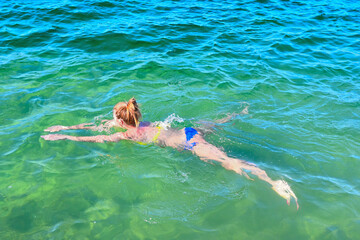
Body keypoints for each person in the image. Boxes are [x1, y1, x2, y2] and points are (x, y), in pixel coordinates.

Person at [41, 97, 299, 209]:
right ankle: (237, 114)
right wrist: (65, 125)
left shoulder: (124, 135)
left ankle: (272, 181)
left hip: (189, 144)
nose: (110, 121)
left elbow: (98, 137)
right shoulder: (140, 123)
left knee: (228, 162)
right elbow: (96, 126)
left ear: (121, 122)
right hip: (186, 131)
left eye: (113, 118)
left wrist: (63, 136)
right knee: (215, 124)